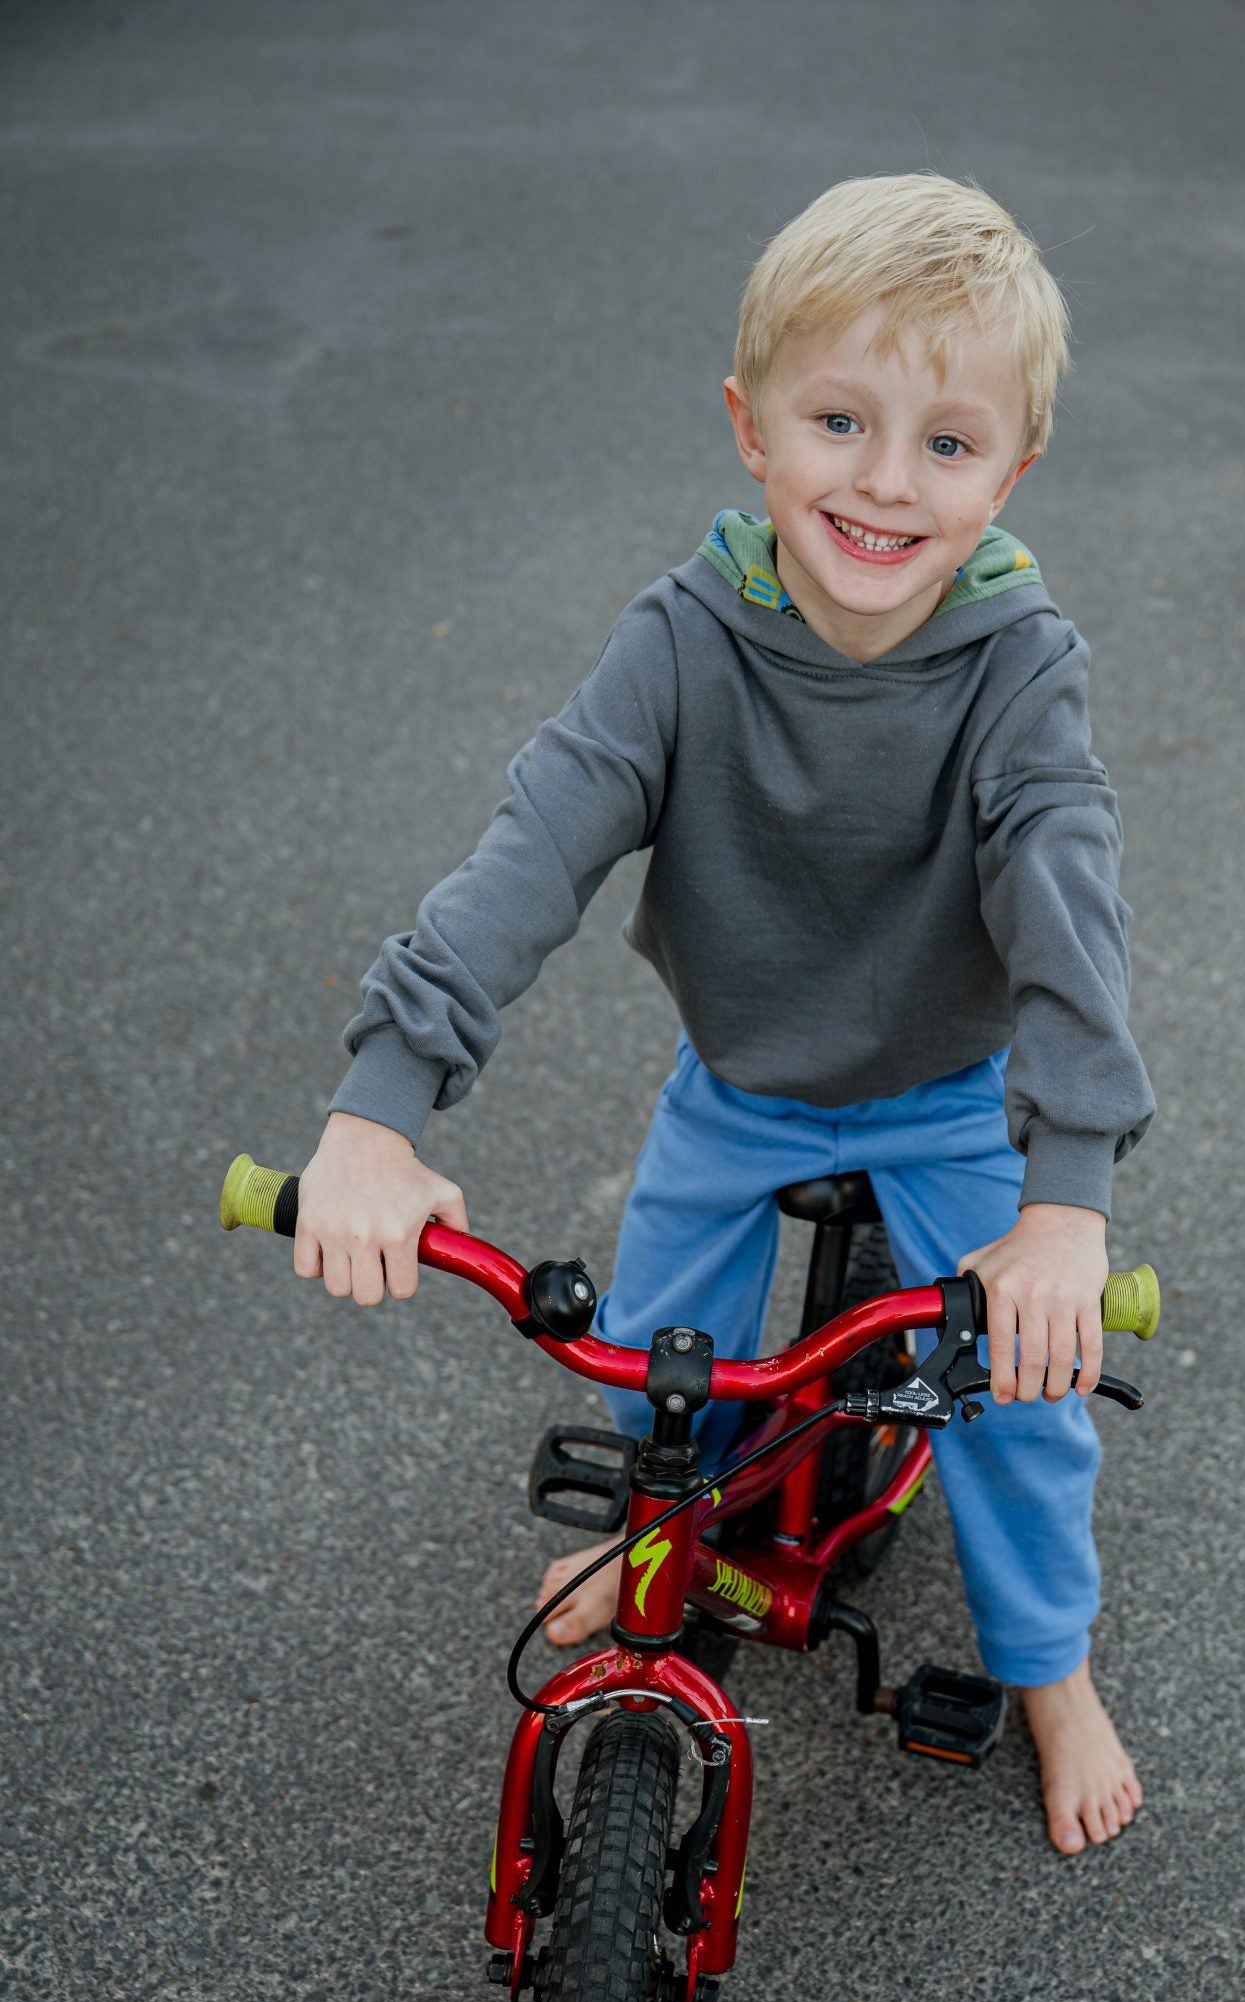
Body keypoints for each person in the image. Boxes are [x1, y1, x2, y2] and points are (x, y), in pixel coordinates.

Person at [293, 173, 1156, 1856]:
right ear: (752, 428)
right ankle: (661, 1538)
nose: (889, 482)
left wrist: (1067, 1202)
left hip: (948, 1087)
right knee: (655, 1364)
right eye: (840, 418)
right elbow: (539, 841)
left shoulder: (1016, 667)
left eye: (949, 444)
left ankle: (1052, 1667)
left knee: (1023, 1400)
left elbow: (1068, 898)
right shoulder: (683, 644)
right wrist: (375, 1108)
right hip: (742, 1073)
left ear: (1012, 473)